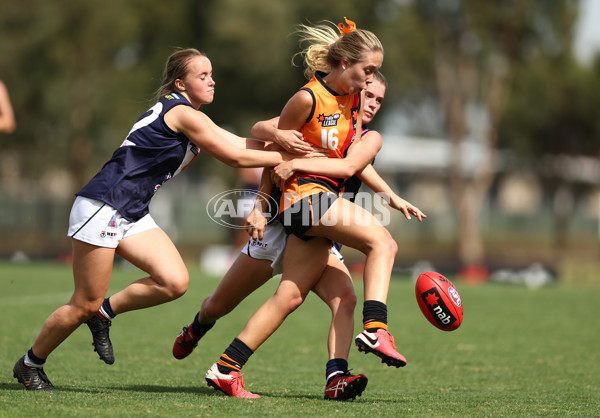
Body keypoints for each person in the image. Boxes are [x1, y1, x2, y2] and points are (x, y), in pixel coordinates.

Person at [12, 48, 300, 391]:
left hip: (131, 210)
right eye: (202, 76)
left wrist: (289, 142)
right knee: (83, 302)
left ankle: (104, 314)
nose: (211, 81)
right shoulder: (181, 111)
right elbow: (236, 156)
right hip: (105, 205)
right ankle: (30, 364)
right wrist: (292, 149)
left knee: (174, 281)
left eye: (211, 74)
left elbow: (240, 141)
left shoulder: (192, 114)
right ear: (180, 83)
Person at [203, 18, 425, 399]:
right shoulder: (309, 98)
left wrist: (390, 195)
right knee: (383, 243)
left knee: (292, 296)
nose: (370, 87)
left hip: (314, 210)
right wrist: (265, 190)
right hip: (303, 201)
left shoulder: (356, 118)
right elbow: (269, 140)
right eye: (368, 75)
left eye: (376, 86)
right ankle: (377, 328)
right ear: (344, 63)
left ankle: (228, 368)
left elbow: (352, 166)